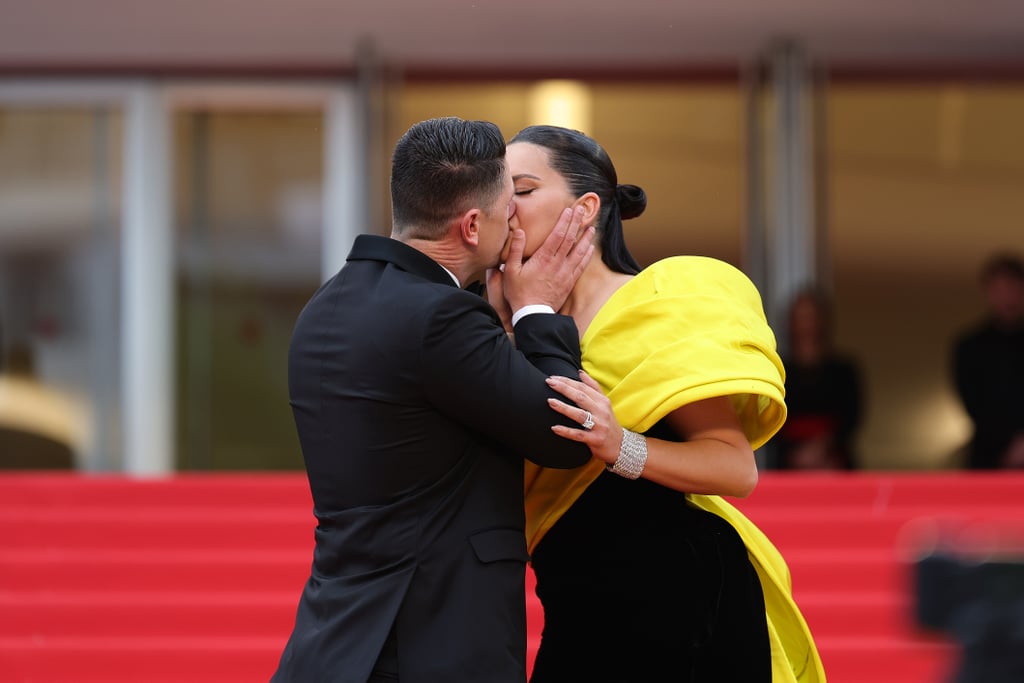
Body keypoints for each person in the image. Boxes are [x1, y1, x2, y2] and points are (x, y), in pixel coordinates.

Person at [270, 116, 600, 683]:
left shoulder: (324, 307)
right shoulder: (441, 319)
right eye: (507, 206)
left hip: (335, 638)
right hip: (433, 641)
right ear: (473, 225)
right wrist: (536, 308)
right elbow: (564, 434)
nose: (515, 219)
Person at [494, 124, 825, 682]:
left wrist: (620, 444)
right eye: (498, 195)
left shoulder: (660, 300)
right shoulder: (501, 321)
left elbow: (735, 465)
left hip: (682, 596)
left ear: (587, 206)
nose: (506, 209)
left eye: (522, 191)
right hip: (574, 598)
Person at [773, 285, 863, 470]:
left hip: (835, 462)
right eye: (800, 318)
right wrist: (797, 454)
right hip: (787, 463)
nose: (805, 324)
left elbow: (852, 417)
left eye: (810, 317)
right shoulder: (778, 369)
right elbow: (769, 415)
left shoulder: (843, 370)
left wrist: (822, 447)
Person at [952, 252, 1024, 469]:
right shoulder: (970, 346)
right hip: (989, 453)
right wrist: (1009, 444)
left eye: (1012, 287)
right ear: (988, 291)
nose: (1006, 296)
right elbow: (973, 401)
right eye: (999, 289)